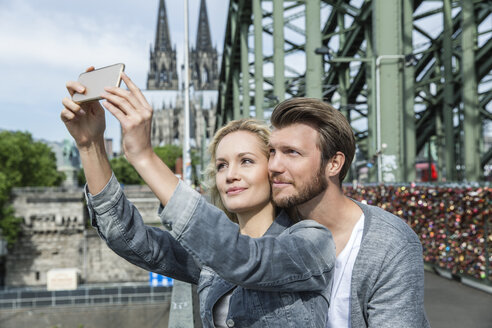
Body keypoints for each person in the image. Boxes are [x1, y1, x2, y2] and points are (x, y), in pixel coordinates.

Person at [60, 70, 335, 328]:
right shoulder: (207, 259)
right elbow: (128, 238)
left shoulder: (311, 242)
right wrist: (90, 145)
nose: (231, 175)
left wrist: (144, 156)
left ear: (273, 171)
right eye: (221, 166)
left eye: (246, 161)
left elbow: (241, 257)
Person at [268, 97, 430, 327]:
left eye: (291, 152)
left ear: (334, 164)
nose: (274, 165)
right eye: (272, 152)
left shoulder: (389, 244)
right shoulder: (268, 230)